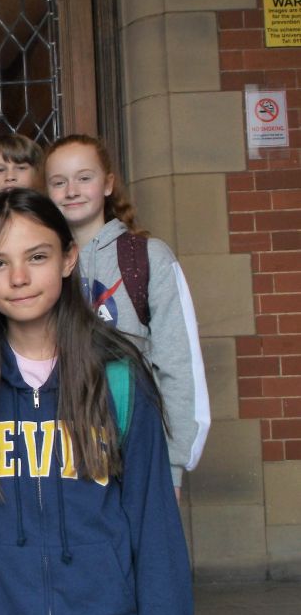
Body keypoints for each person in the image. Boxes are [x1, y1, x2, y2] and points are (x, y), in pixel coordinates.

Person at [0, 188, 193, 615]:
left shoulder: (118, 377)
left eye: (37, 256)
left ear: (67, 258)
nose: (18, 278)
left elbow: (157, 540)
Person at [45, 134, 210, 496]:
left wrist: (174, 462)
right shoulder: (39, 263)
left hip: (135, 447)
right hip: (58, 453)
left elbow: (179, 364)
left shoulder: (148, 259)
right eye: (59, 182)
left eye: (84, 178)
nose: (71, 190)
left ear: (107, 184)